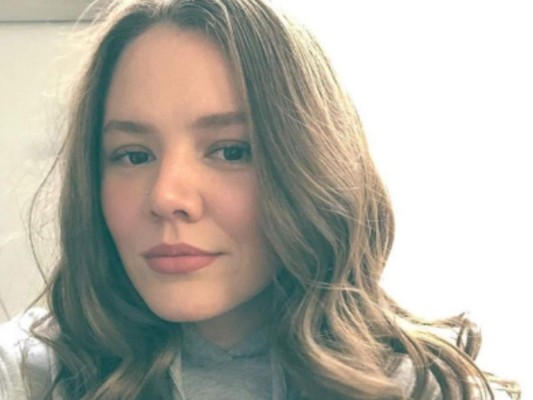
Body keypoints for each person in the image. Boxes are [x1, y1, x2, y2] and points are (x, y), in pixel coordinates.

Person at [0, 0, 521, 399]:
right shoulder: (27, 376)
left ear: (310, 167)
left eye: (231, 151)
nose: (166, 196)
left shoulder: (428, 387)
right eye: (133, 156)